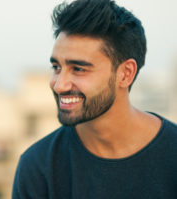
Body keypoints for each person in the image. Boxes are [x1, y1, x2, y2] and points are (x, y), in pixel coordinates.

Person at [12, 0, 177, 198]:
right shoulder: (38, 167)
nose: (59, 85)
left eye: (79, 69)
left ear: (125, 74)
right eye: (56, 67)